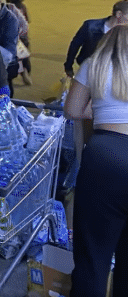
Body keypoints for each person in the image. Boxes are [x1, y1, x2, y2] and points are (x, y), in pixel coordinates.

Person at [64, 25, 128, 296]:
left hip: (105, 156)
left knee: (93, 257)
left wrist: (100, 106)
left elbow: (72, 110)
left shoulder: (93, 64)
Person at [64, 0, 128, 78]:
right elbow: (74, 45)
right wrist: (68, 66)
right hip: (89, 70)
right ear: (119, 14)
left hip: (115, 74)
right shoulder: (90, 26)